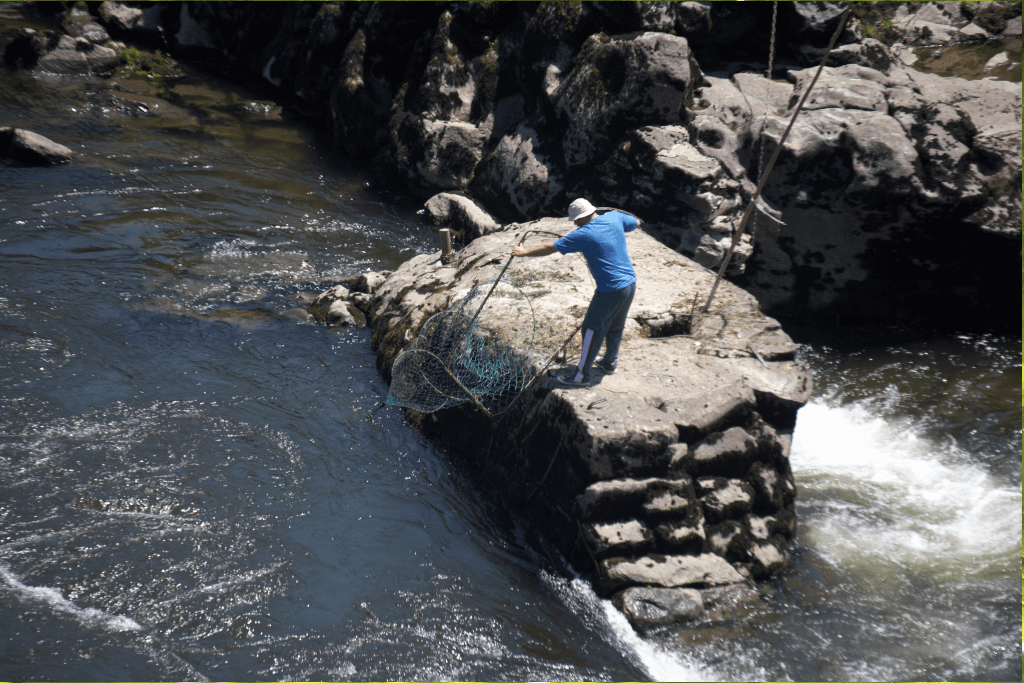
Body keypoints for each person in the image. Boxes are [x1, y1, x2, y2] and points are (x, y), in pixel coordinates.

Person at [512, 198, 640, 387]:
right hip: (630, 285)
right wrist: (618, 214)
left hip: (610, 290)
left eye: (576, 219)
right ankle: (609, 363)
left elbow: (550, 247)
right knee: (615, 327)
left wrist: (524, 253)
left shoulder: (583, 234)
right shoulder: (614, 217)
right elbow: (637, 222)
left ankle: (581, 376)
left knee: (590, 330)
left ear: (583, 217)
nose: (574, 222)